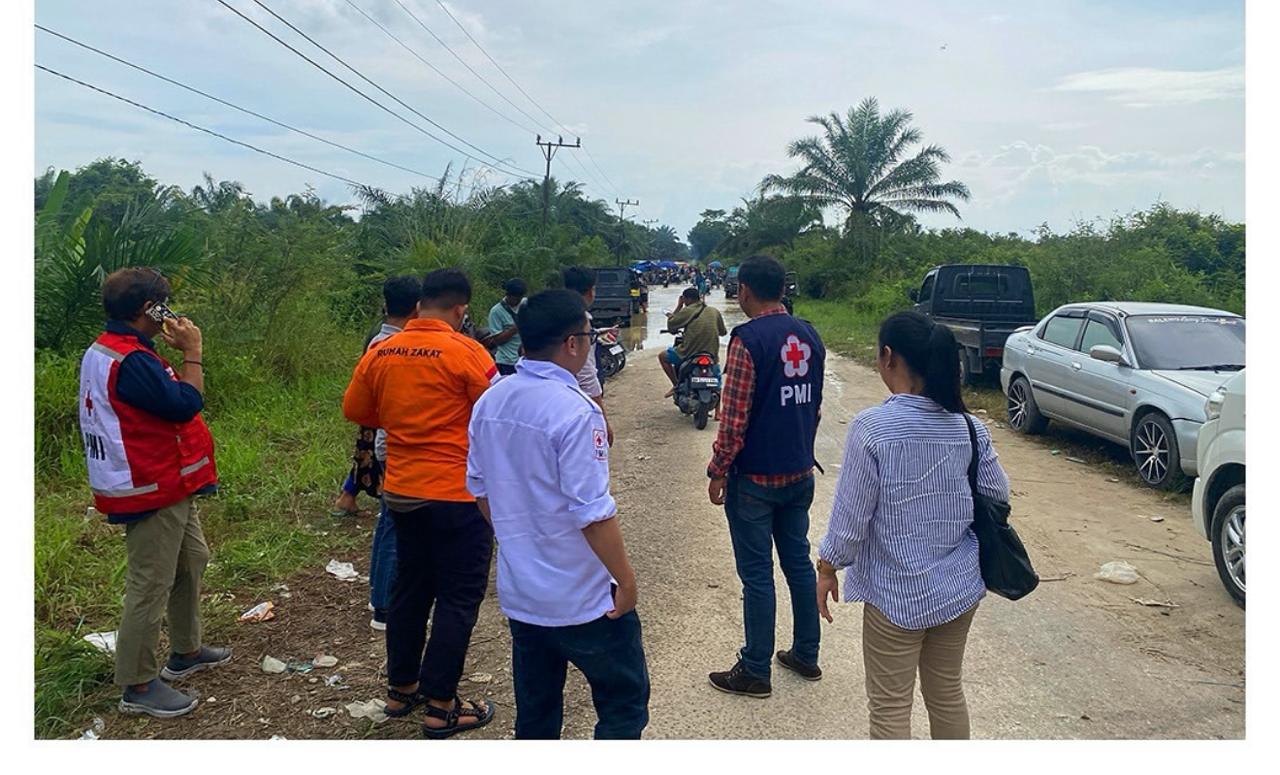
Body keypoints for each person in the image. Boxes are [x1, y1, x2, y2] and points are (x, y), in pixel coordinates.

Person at [816, 311, 1009, 740]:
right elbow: (997, 494)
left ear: (889, 357)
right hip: (959, 587)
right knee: (947, 693)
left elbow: (850, 521)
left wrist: (828, 567)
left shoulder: (873, 428)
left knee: (890, 708)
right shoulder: (970, 428)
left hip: (895, 593)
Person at [467, 290, 650, 739]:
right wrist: (626, 581)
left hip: (524, 596)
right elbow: (593, 514)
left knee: (536, 716)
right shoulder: (575, 410)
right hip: (584, 598)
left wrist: (522, 540)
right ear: (572, 343)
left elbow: (481, 491)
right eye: (588, 336)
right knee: (623, 707)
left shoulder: (491, 401)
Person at [342, 268, 498, 738]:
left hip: (402, 492)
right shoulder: (467, 351)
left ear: (418, 306)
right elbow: (494, 413)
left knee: (410, 590)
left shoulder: (382, 351)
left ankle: (401, 689)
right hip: (456, 494)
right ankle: (442, 706)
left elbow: (357, 410)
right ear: (461, 309)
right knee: (457, 596)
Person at [78, 268, 229, 718]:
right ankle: (138, 683)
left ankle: (186, 650)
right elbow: (186, 404)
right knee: (150, 582)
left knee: (192, 559)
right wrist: (193, 352)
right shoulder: (134, 361)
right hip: (150, 483)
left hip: (167, 479)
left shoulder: (113, 348)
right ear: (151, 309)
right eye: (165, 305)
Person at [705, 255, 825, 698]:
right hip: (799, 472)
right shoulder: (809, 334)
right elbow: (814, 408)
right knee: (798, 563)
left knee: (757, 575)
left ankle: (755, 669)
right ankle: (806, 654)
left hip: (755, 479)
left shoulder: (748, 340)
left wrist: (718, 470)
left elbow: (733, 419)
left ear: (744, 290)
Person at [363, 275, 421, 631]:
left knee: (388, 521)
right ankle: (384, 606)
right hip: (395, 442)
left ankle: (378, 594)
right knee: (393, 527)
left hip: (384, 439)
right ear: (418, 308)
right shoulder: (397, 347)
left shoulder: (377, 342)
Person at [562, 266, 613, 446]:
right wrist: (603, 419)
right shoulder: (580, 320)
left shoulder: (559, 315)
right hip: (579, 401)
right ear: (590, 292)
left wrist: (596, 333)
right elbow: (586, 374)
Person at [660, 287, 726, 400]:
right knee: (717, 380)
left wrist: (679, 306)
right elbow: (723, 332)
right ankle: (718, 409)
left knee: (662, 356)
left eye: (684, 300)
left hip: (689, 353)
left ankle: (676, 385)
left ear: (687, 299)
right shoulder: (714, 311)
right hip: (711, 354)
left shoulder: (687, 311)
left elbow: (671, 325)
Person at [488, 278, 527, 376]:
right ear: (508, 295)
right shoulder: (496, 312)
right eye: (515, 298)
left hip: (525, 361)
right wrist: (515, 328)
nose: (517, 301)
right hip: (506, 362)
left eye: (520, 298)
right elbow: (497, 340)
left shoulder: (526, 304)